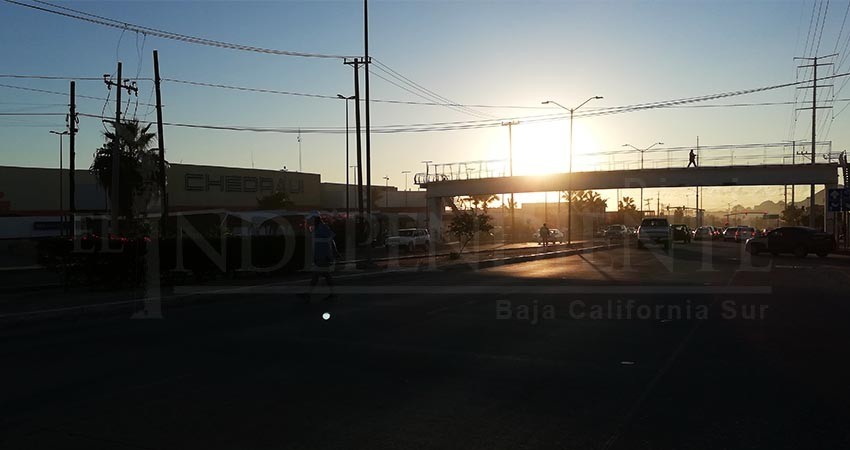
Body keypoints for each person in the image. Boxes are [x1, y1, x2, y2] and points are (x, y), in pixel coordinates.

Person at [304, 215, 339, 302]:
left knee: (316, 276)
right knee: (326, 276)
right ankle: (333, 293)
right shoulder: (319, 229)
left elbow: (327, 242)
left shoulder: (321, 229)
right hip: (322, 256)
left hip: (323, 257)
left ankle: (308, 294)